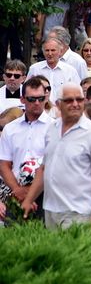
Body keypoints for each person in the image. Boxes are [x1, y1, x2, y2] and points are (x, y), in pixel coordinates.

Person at [21, 83, 91, 230]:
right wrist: (29, 199)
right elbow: (44, 169)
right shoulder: (52, 129)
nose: (75, 104)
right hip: (50, 209)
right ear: (58, 104)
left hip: (79, 213)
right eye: (69, 100)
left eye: (79, 99)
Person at [0, 77, 53, 214]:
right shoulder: (10, 129)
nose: (37, 103)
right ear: (22, 99)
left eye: (41, 99)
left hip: (46, 194)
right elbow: (4, 164)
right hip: (16, 191)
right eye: (31, 99)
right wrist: (17, 189)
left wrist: (32, 192)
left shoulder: (55, 128)